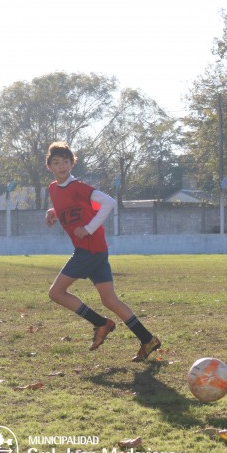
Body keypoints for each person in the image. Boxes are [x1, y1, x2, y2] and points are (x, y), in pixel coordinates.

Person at [44, 141, 160, 362]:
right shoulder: (53, 189)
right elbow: (73, 208)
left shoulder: (78, 186)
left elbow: (108, 202)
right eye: (56, 162)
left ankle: (100, 323)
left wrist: (88, 229)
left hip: (87, 251)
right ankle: (148, 339)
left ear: (72, 164)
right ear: (49, 166)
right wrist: (54, 212)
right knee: (110, 300)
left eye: (66, 162)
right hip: (97, 251)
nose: (61, 166)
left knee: (56, 293)